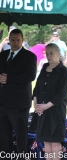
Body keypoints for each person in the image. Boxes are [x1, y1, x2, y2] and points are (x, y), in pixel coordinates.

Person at [0, 29, 36, 159]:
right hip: (3, 103)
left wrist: (8, 78)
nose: (15, 43)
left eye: (18, 40)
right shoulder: (3, 55)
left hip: (19, 104)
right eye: (13, 40)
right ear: (8, 40)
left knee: (21, 137)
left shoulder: (29, 56)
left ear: (22, 40)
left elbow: (30, 76)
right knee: (3, 137)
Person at [33, 43, 67, 160]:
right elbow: (37, 88)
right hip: (42, 111)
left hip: (55, 111)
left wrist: (46, 106)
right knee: (46, 142)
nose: (49, 56)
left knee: (55, 143)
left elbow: (62, 93)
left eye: (51, 53)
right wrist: (36, 104)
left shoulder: (63, 70)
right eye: (47, 53)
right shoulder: (44, 67)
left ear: (58, 54)